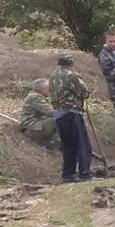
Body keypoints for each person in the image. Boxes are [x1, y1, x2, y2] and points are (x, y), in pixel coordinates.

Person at [48, 54, 93, 183]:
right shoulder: (71, 76)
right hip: (72, 112)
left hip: (58, 114)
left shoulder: (52, 77)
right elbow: (85, 93)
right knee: (82, 144)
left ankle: (68, 174)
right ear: (71, 64)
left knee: (68, 146)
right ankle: (84, 173)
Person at [19, 77, 57, 147]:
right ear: (42, 89)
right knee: (58, 120)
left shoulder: (41, 97)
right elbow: (50, 112)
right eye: (49, 88)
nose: (51, 90)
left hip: (37, 125)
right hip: (31, 127)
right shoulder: (35, 97)